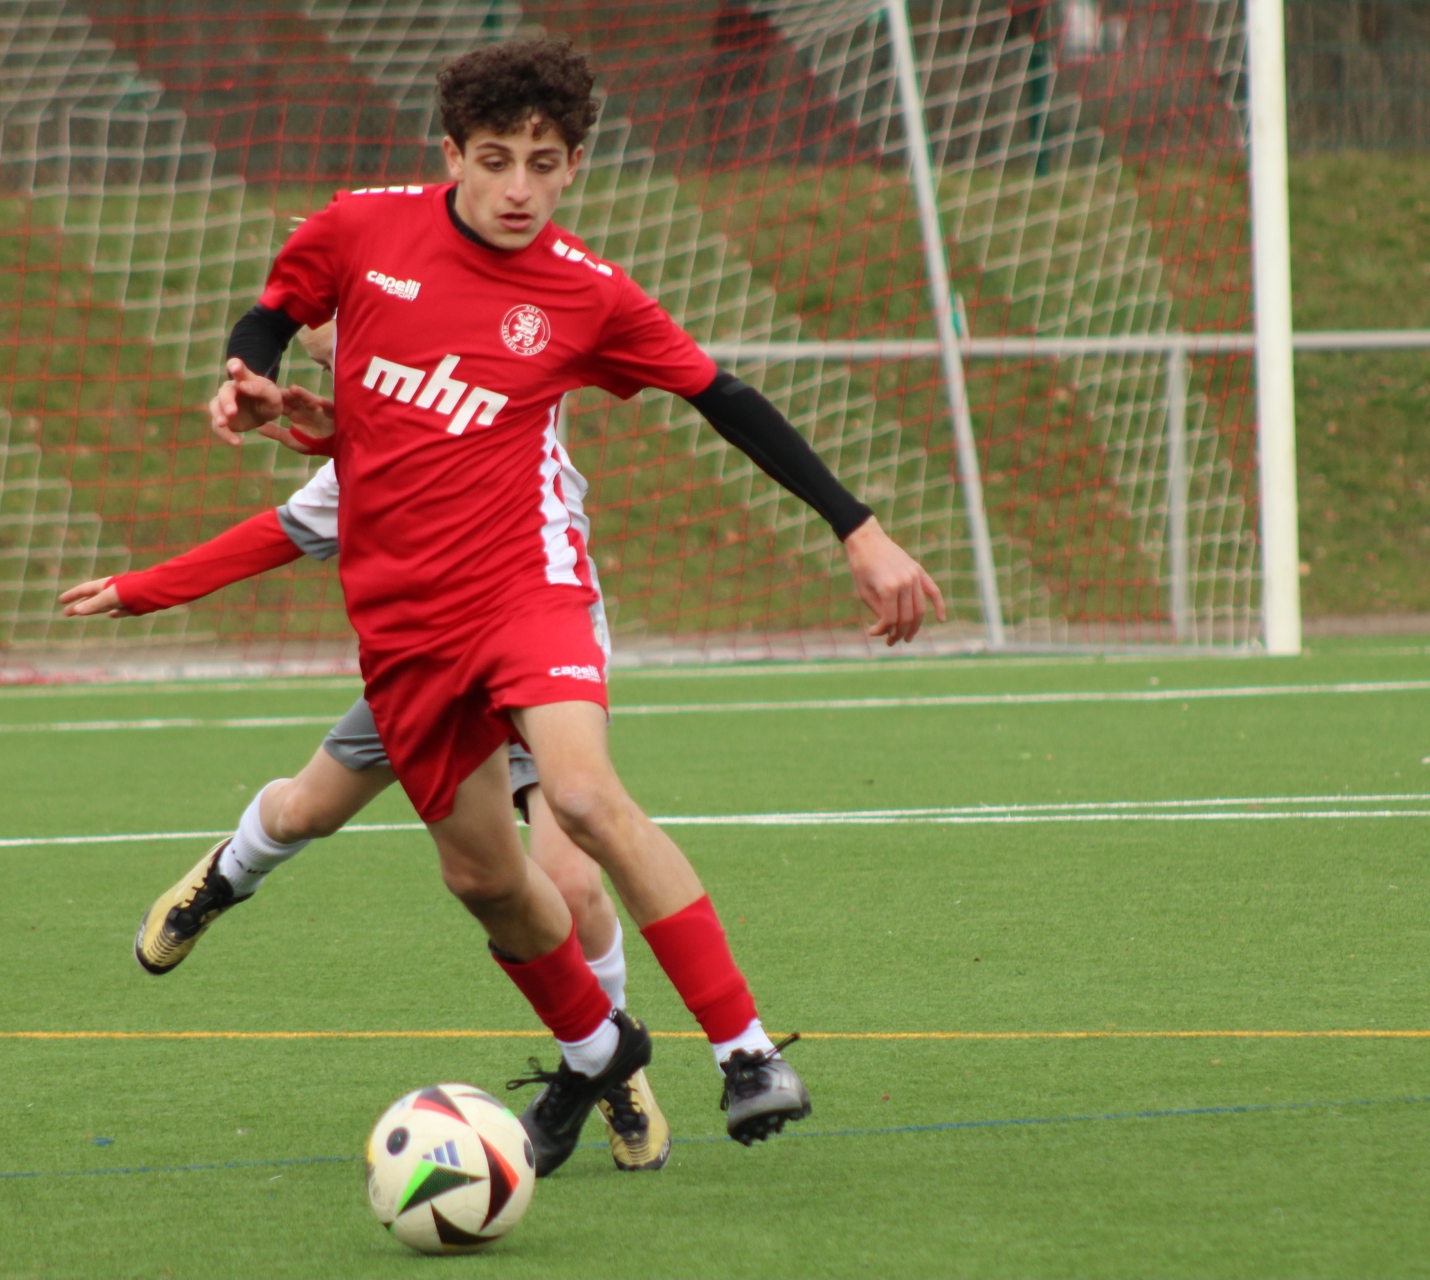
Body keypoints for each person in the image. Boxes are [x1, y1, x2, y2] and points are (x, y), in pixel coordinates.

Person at [96, 37, 942, 1175]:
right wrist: (247, 378)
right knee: (483, 878)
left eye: (544, 164)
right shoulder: (360, 232)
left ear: (574, 166)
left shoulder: (586, 293)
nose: (518, 189)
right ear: (451, 154)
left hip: (526, 592)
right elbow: (273, 314)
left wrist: (859, 527)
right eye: (495, 160)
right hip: (406, 635)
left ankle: (745, 1053)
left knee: (583, 805)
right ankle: (599, 1049)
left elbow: (725, 396)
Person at [60, 325, 673, 1174]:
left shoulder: (499, 401)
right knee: (305, 810)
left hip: (541, 659)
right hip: (429, 670)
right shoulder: (367, 462)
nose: (340, 374)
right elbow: (275, 534)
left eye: (346, 352)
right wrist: (140, 589)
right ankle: (226, 875)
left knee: (571, 881)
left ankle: (609, 1062)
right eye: (327, 360)